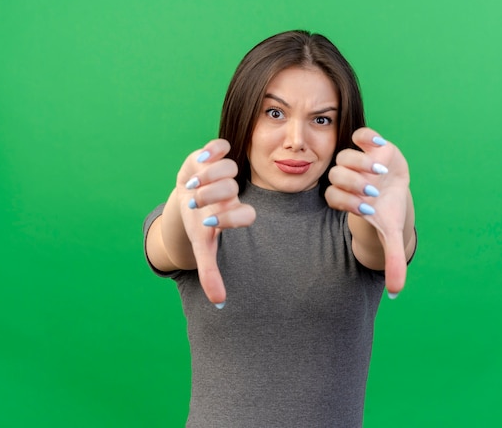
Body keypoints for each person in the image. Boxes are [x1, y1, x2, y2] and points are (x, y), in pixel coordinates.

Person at [143, 30, 417, 427]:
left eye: (321, 120)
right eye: (275, 113)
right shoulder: (206, 215)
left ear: (342, 132)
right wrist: (183, 203)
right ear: (243, 116)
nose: (296, 141)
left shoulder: (359, 224)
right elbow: (174, 241)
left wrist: (396, 207)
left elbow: (381, 238)